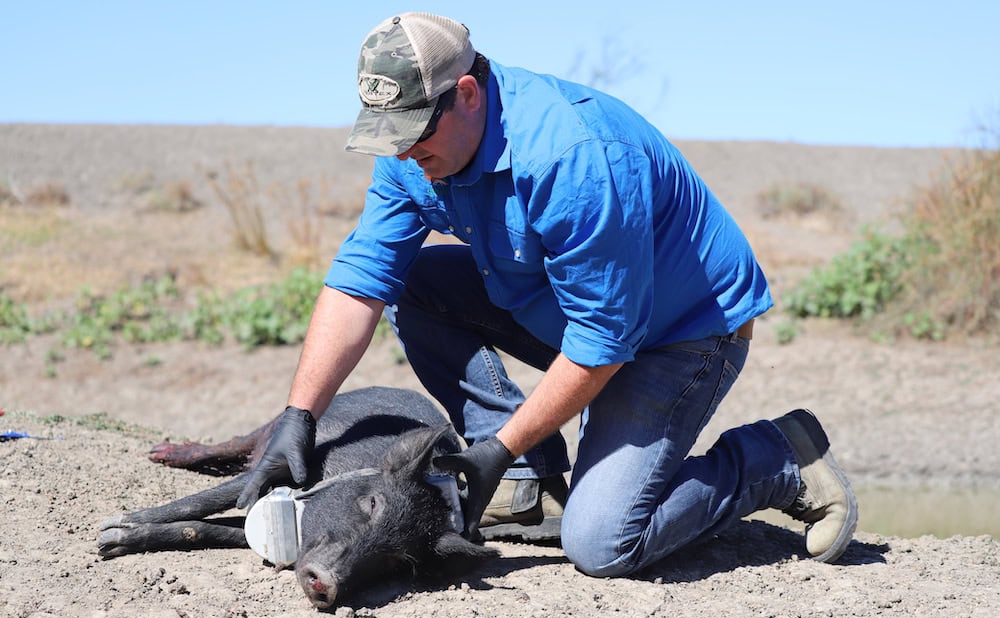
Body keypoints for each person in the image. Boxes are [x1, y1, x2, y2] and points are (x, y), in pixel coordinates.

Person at [236, 12, 858, 577]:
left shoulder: (572, 156)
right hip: (573, 309)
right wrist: (299, 416)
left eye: (416, 132)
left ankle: (776, 457)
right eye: (391, 133)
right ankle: (526, 478)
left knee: (601, 542)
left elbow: (604, 342)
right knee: (413, 285)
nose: (404, 151)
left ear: (468, 95)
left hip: (681, 334)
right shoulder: (413, 149)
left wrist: (495, 451)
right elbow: (361, 281)